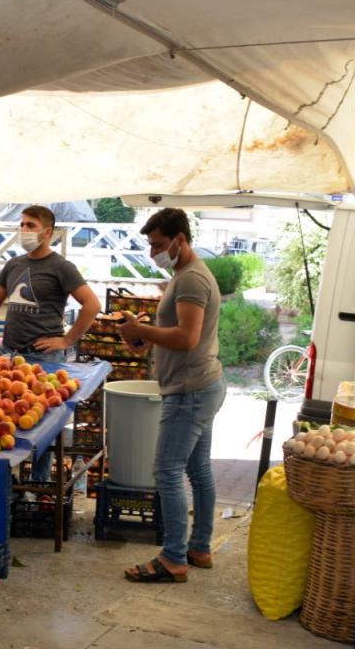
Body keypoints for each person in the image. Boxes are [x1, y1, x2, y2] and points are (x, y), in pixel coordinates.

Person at [116, 208, 224, 583]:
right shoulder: (185, 274)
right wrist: (145, 339)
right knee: (198, 471)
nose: (153, 254)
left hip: (189, 391)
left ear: (180, 238)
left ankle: (174, 558)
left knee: (167, 471)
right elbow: (177, 334)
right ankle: (199, 547)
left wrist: (142, 329)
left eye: (159, 245)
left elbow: (187, 337)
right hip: (201, 385)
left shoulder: (191, 279)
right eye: (150, 246)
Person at [0, 205, 99, 481]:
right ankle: (5, 481)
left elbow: (92, 304)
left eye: (31, 225)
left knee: (43, 426)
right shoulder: (14, 264)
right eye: (22, 225)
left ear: (47, 232)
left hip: (44, 359)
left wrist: (66, 339)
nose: (24, 230)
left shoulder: (62, 267)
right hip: (9, 354)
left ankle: (38, 485)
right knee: (2, 416)